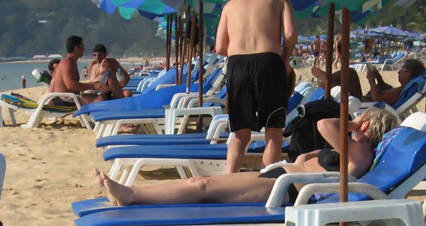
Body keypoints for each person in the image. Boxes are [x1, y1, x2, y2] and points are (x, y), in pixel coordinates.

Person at [97, 108, 397, 207]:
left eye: (361, 118)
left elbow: (324, 125)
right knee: (203, 184)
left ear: (367, 125)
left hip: (286, 189)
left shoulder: (361, 151)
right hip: (281, 177)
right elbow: (310, 153)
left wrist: (352, 126)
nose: (355, 118)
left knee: (202, 186)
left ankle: (133, 195)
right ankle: (133, 194)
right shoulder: (350, 149)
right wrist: (306, 158)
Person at [215, 0, 297, 174]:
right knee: (273, 134)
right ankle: (266, 180)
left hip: (237, 64)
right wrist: (285, 58)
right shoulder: (280, 1)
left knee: (240, 134)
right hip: (269, 62)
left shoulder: (229, 6)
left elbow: (220, 46)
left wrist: (240, 52)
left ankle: (230, 178)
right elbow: (290, 33)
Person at [49, 35, 109, 106]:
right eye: (82, 46)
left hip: (70, 97)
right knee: (101, 100)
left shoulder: (72, 62)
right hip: (64, 100)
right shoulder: (67, 63)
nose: (84, 48)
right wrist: (93, 85)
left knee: (103, 97)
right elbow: (70, 85)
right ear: (76, 48)